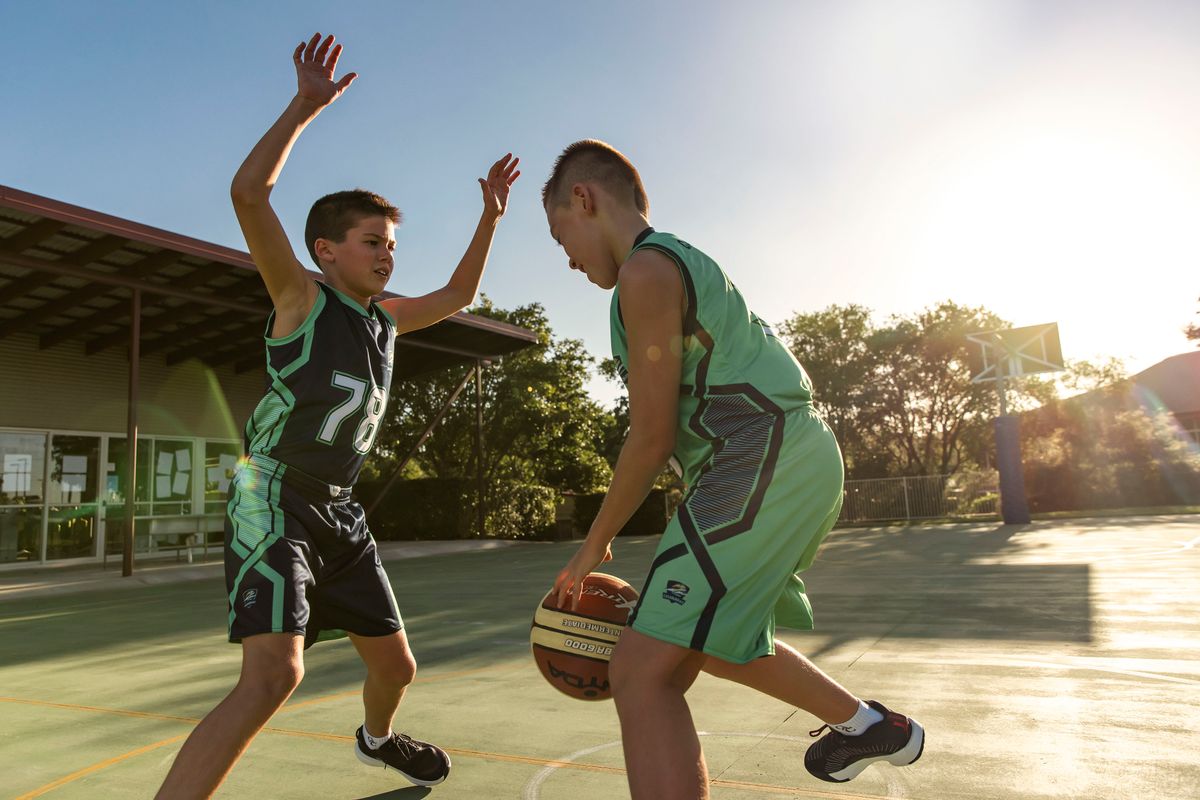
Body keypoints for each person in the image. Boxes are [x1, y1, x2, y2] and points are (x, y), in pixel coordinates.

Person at [155, 33, 519, 799]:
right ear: (326, 250)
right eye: (372, 242)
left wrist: (489, 217)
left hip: (339, 510)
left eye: (392, 245)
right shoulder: (301, 298)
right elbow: (248, 195)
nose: (387, 255)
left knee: (397, 667)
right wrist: (304, 107)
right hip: (273, 497)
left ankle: (376, 740)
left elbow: (459, 296)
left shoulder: (386, 320)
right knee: (273, 676)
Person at [545, 139, 922, 799]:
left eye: (561, 237)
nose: (568, 260)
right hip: (780, 456)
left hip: (759, 458)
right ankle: (867, 726)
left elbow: (651, 437)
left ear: (584, 199)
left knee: (639, 670)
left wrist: (593, 543)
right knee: (701, 645)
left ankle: (868, 725)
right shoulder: (675, 261)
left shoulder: (645, 271)